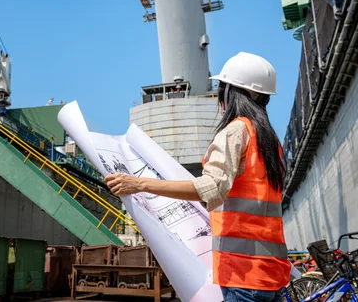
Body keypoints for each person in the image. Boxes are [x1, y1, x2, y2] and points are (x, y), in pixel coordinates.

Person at [105, 52, 291, 302]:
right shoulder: (270, 142)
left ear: (231, 92)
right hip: (272, 274)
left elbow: (211, 188)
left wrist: (139, 183)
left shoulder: (236, 131)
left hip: (242, 276)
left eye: (221, 89)